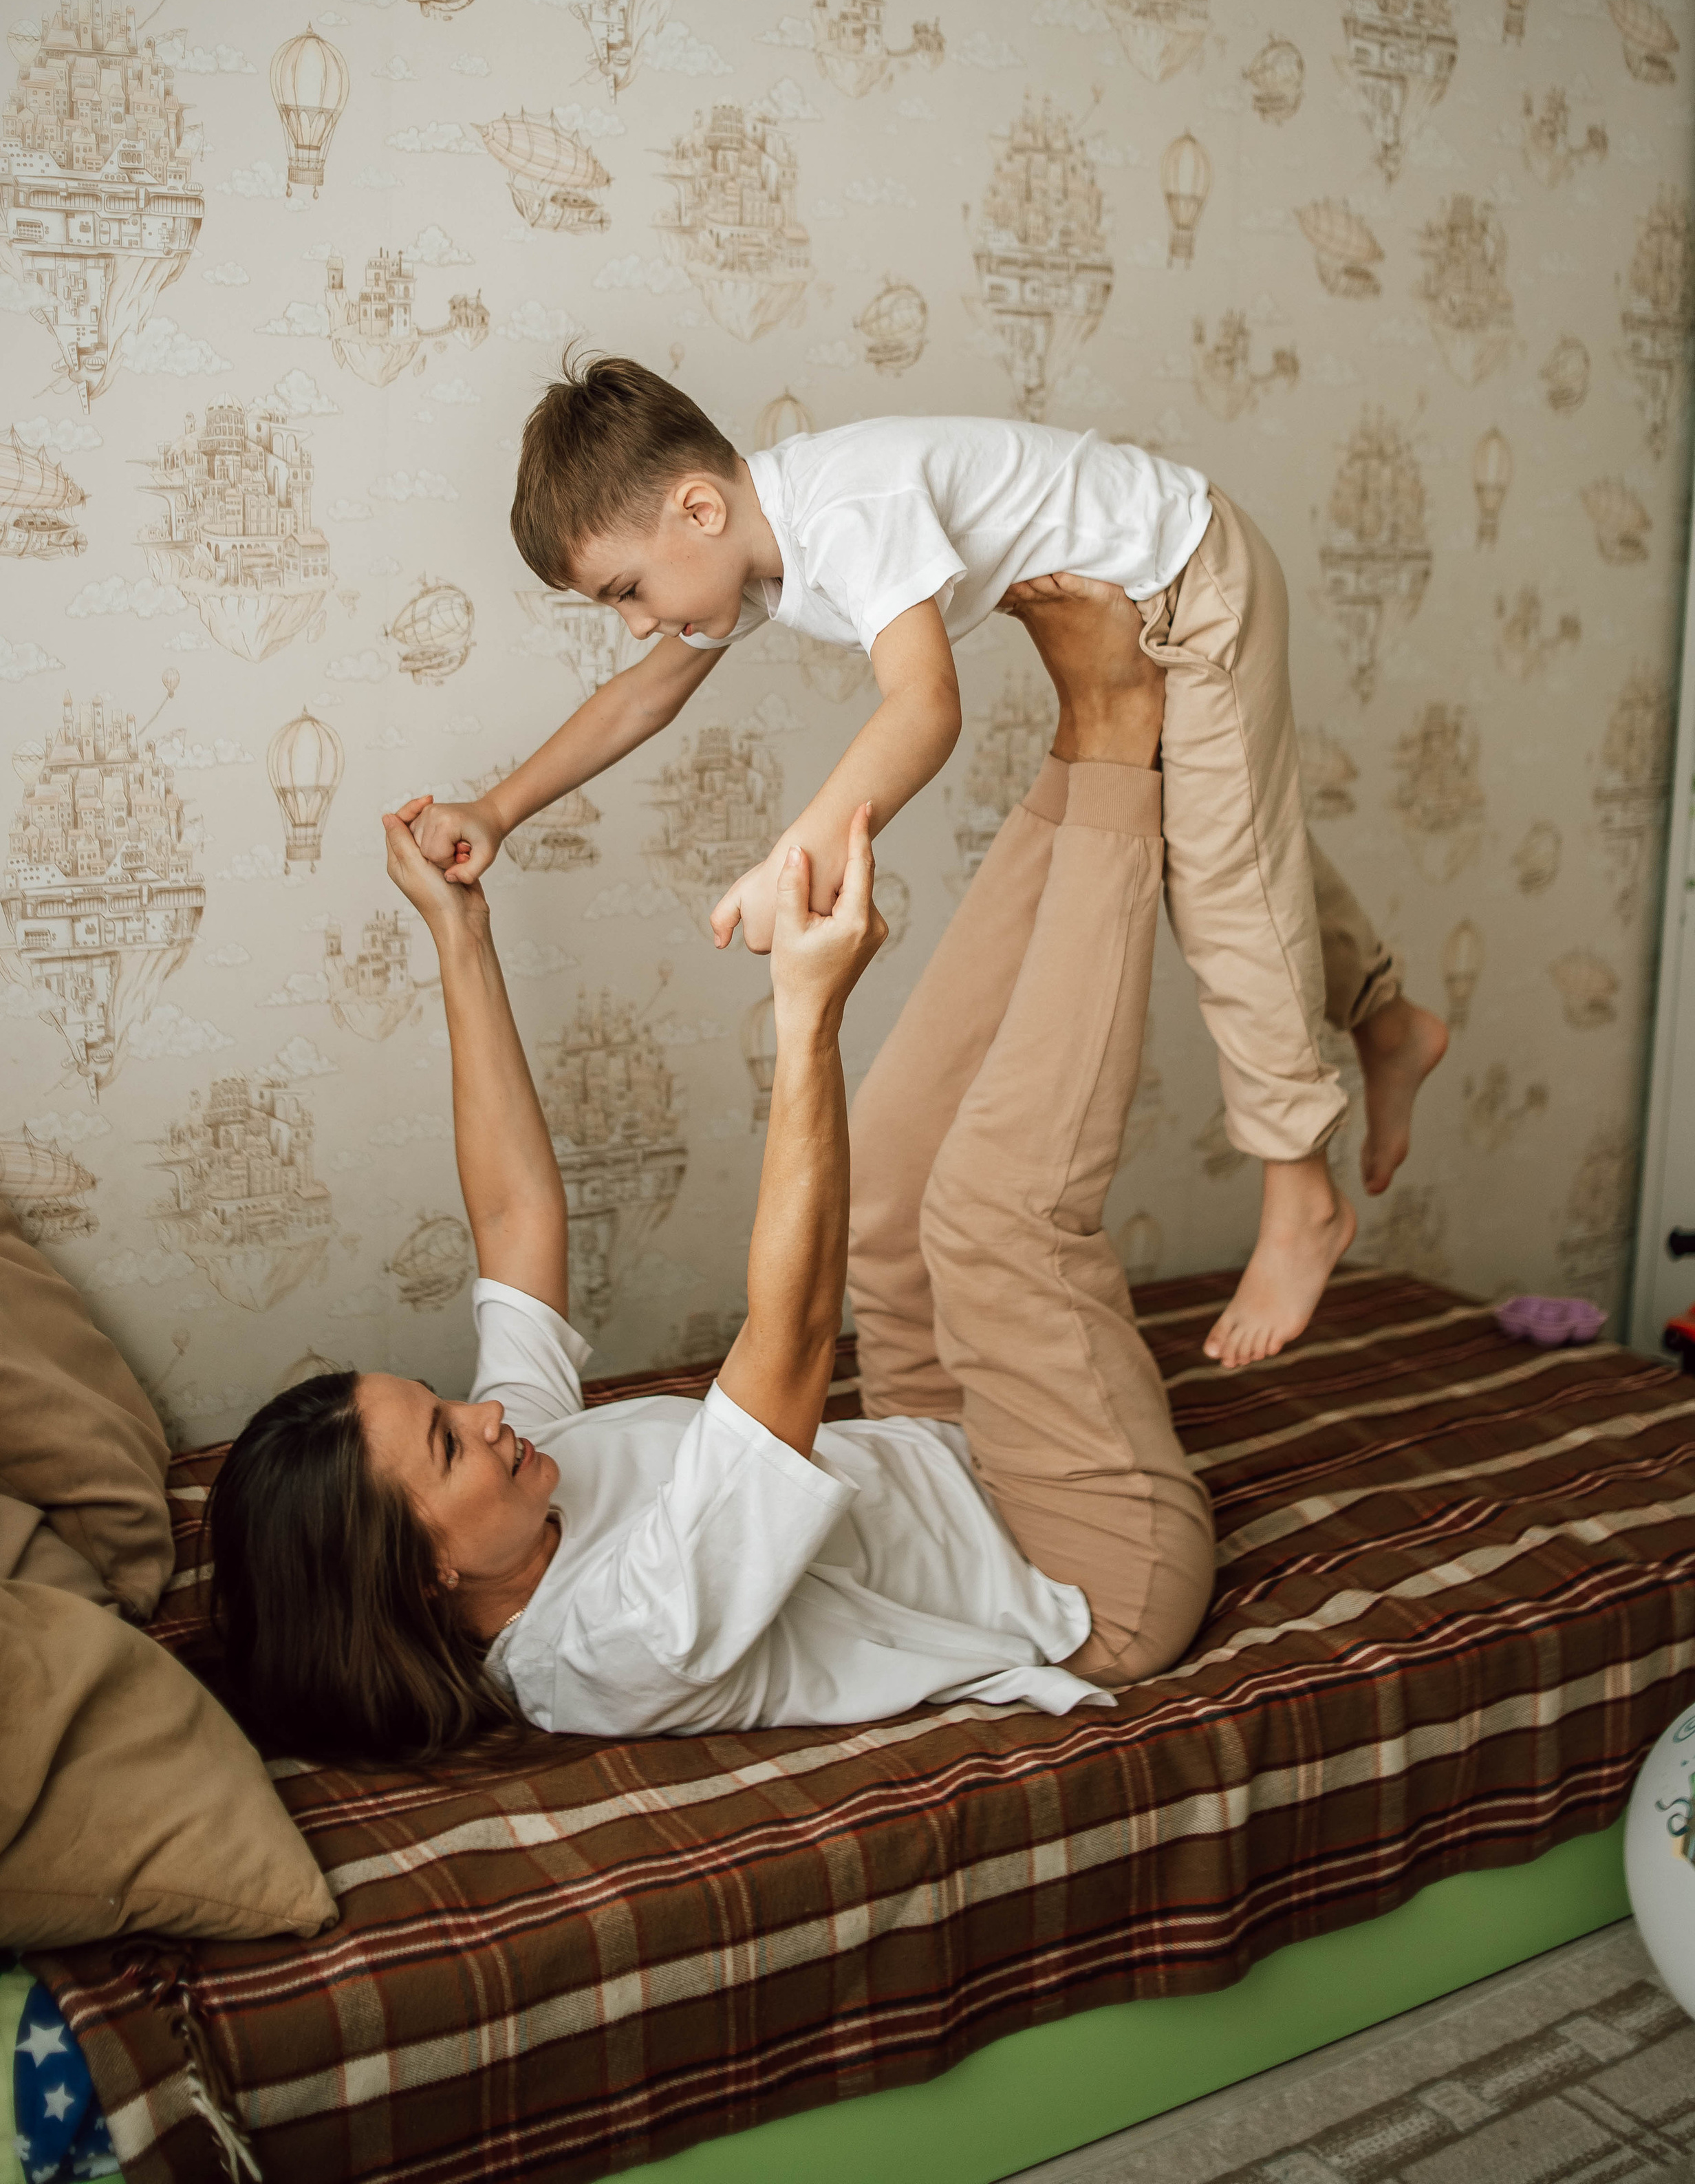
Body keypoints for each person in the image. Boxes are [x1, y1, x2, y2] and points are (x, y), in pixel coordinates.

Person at [208, 585, 1213, 1765]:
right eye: (446, 1444)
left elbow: (516, 1220)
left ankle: (1088, 742)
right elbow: (789, 1347)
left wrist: (458, 930)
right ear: (425, 1570)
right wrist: (806, 1019)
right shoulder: (608, 1643)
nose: (484, 1416)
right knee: (992, 1221)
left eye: (443, 1404)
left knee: (890, 1195)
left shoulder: (520, 1495)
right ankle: (1126, 716)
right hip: (1080, 1571)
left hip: (933, 1443)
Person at [401, 355, 1445, 1370]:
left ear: (698, 510)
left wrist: (794, 859)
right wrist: (498, 809)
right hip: (1158, 590)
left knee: (1221, 885)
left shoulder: (846, 510)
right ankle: (1387, 1018)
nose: (637, 625)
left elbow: (927, 708)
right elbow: (642, 697)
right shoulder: (754, 552)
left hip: (1191, 579)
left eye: (628, 590)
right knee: (1239, 837)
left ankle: (1301, 1193)